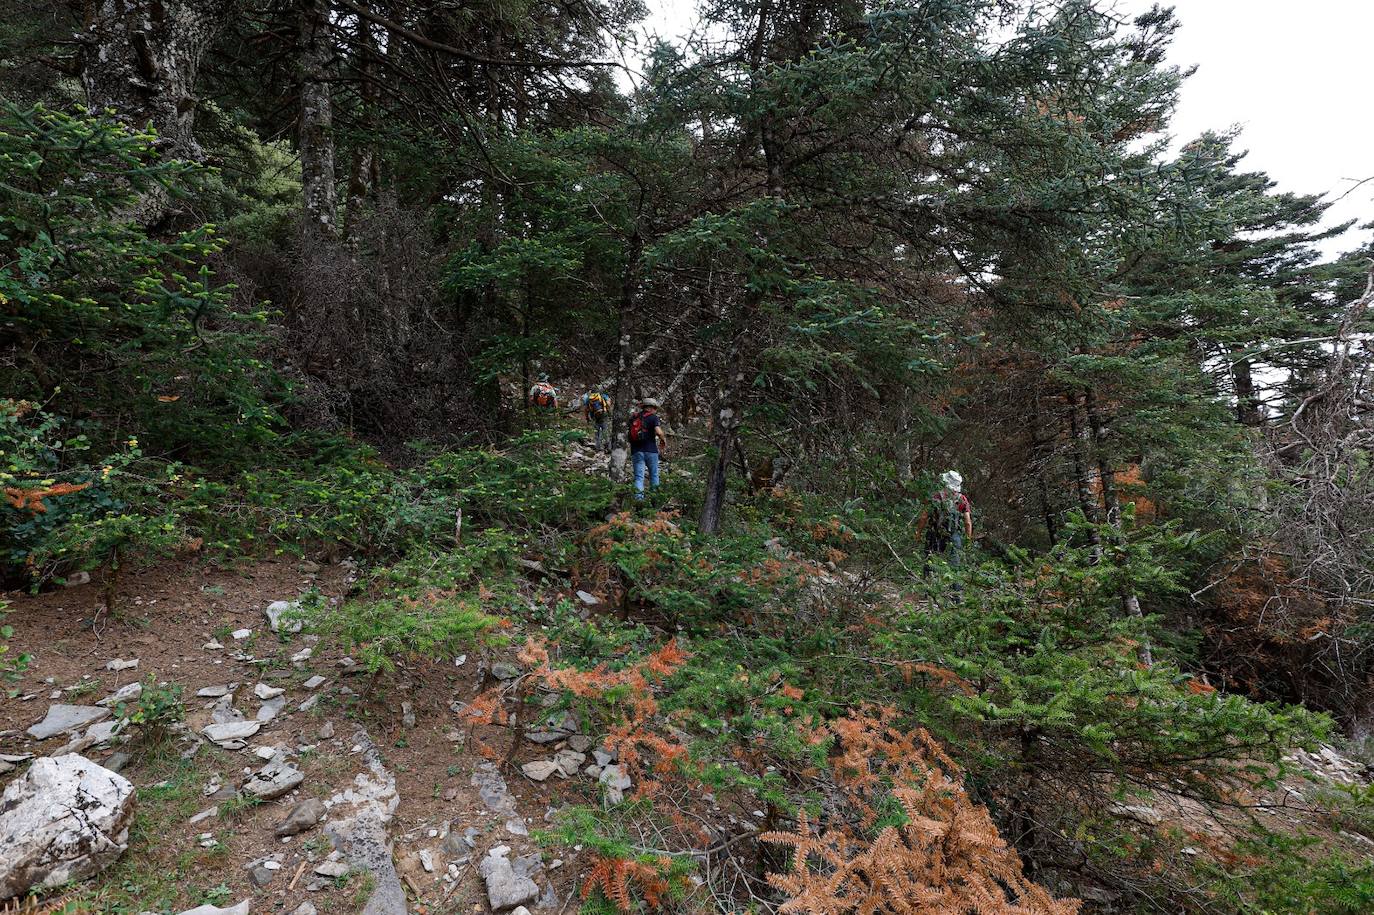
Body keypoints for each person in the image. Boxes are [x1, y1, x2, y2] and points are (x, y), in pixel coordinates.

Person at [921, 470, 973, 567]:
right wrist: (968, 539)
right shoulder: (962, 499)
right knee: (954, 562)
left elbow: (924, 516)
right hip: (953, 534)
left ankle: (929, 579)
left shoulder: (936, 495)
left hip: (934, 531)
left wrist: (918, 532)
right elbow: (968, 522)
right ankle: (954, 581)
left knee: (930, 557)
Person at [628, 397, 668, 502]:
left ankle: (639, 501)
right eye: (655, 408)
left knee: (639, 477)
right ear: (652, 408)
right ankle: (654, 501)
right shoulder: (653, 417)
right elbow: (659, 432)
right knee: (654, 475)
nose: (656, 411)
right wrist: (663, 440)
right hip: (651, 451)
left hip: (636, 451)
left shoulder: (634, 418)